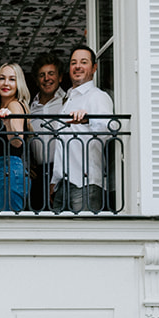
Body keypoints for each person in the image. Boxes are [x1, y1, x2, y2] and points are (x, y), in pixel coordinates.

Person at [50, 45, 112, 213]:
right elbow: (61, 144)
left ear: (94, 68)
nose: (77, 66)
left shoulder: (97, 96)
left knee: (86, 228)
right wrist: (54, 179)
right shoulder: (68, 99)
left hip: (86, 183)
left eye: (83, 62)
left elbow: (109, 129)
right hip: (62, 184)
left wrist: (89, 119)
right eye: (73, 63)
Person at [0, 59, 30, 212]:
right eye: (2, 78)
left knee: (2, 222)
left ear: (19, 84)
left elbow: (17, 141)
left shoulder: (14, 105)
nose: (6, 83)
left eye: (12, 79)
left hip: (6, 171)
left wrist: (8, 121)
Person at [26, 51, 68, 208]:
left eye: (51, 73)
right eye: (42, 75)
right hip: (37, 175)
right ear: (37, 81)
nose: (47, 78)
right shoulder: (30, 108)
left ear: (60, 77)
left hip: (62, 171)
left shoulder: (68, 102)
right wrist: (26, 163)